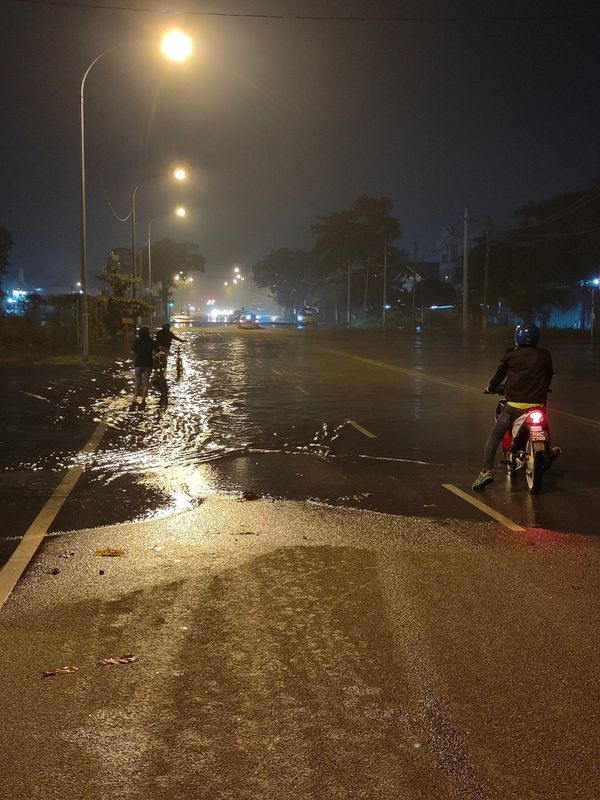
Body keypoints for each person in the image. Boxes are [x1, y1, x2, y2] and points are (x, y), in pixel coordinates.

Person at [472, 322, 557, 491]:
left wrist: (490, 387)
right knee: (544, 425)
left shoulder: (511, 355)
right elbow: (548, 375)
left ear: (517, 338)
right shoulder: (544, 355)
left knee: (495, 436)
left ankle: (486, 471)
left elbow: (499, 376)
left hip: (513, 407)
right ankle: (548, 453)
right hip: (537, 405)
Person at [130, 326, 159, 411]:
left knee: (138, 380)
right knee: (146, 382)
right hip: (148, 364)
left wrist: (134, 359)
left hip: (138, 363)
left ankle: (135, 395)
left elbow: (132, 352)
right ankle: (143, 399)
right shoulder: (151, 341)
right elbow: (158, 351)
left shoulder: (137, 341)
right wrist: (157, 356)